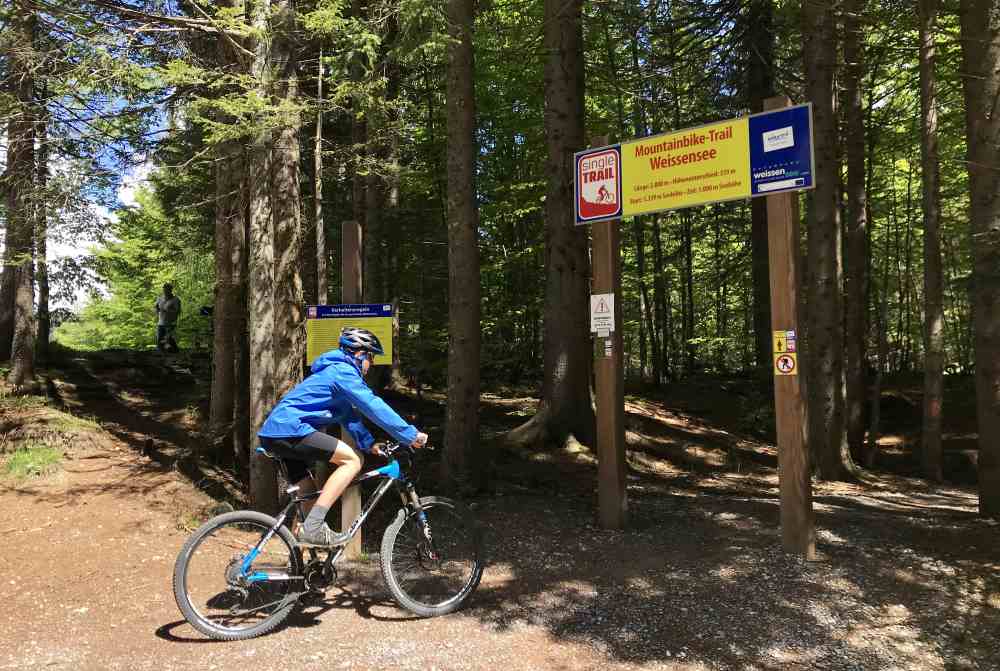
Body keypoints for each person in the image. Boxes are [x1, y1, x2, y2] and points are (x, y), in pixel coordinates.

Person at [257, 327, 428, 547]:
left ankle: (300, 562)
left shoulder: (334, 373)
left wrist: (369, 444)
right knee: (352, 460)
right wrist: (410, 434)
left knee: (307, 491)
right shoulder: (342, 372)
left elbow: (349, 415)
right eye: (371, 356)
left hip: (277, 433)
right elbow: (372, 405)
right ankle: (313, 528)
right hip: (289, 429)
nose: (372, 363)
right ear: (359, 354)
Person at [154, 283, 182, 352]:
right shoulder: (160, 298)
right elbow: (156, 308)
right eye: (164, 290)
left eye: (167, 290)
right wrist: (157, 310)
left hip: (171, 323)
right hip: (161, 323)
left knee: (167, 339)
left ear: (171, 290)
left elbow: (178, 311)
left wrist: (167, 311)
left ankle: (174, 352)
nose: (165, 291)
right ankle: (165, 354)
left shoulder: (176, 300)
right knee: (160, 340)